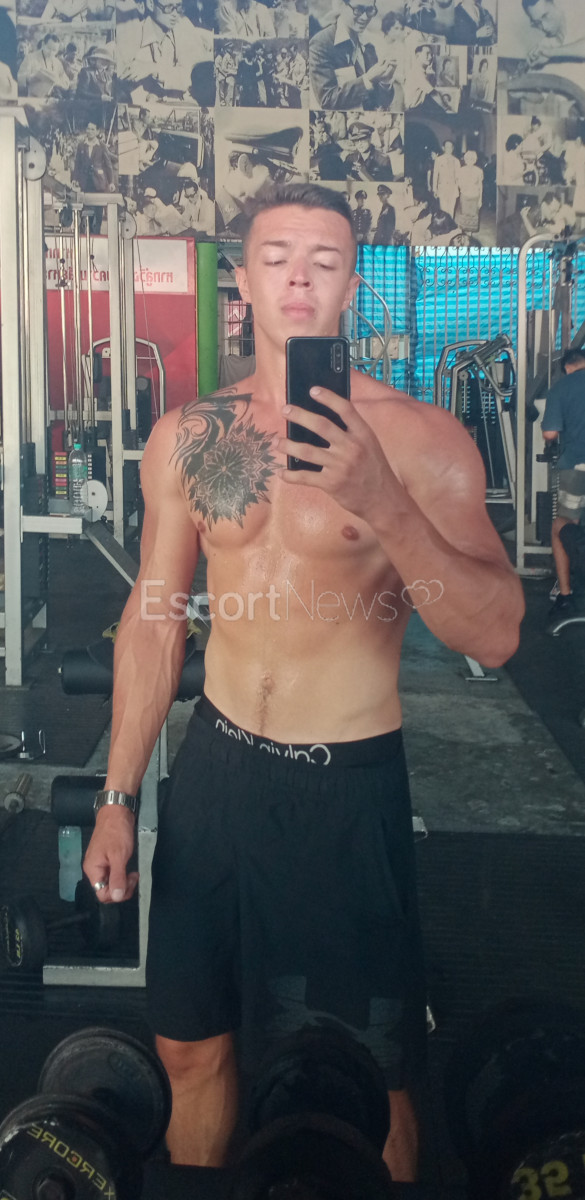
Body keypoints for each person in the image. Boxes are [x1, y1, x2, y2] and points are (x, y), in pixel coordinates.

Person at [83, 180, 523, 1185]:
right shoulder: (189, 437)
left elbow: (496, 633)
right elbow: (154, 616)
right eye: (276, 258)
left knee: (368, 1078)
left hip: (345, 790)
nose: (298, 279)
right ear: (241, 281)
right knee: (189, 1047)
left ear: (350, 287)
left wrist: (384, 503)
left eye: (324, 263)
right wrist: (117, 797)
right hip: (217, 777)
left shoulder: (420, 440)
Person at [541, 348, 585, 618]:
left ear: (567, 367)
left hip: (577, 466)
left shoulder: (561, 387)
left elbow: (549, 433)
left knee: (563, 526)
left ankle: (565, 594)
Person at [116, 0, 213, 104]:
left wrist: (154, 69)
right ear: (151, 4)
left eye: (178, 7)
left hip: (183, 106)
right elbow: (121, 77)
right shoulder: (134, 34)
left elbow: (194, 78)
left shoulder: (184, 27)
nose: (175, 14)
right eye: (169, 7)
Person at [309, 0, 398, 110]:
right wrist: (368, 79)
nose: (365, 17)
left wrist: (385, 82)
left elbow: (380, 103)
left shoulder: (368, 46)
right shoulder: (321, 43)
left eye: (370, 10)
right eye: (358, 9)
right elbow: (327, 100)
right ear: (342, 5)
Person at [18, 32, 71, 97]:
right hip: (33, 98)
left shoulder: (57, 62)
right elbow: (19, 78)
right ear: (43, 44)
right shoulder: (30, 58)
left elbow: (66, 83)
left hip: (52, 98)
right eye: (49, 48)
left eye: (54, 50)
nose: (51, 52)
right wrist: (30, 78)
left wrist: (57, 82)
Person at [456, 148, 483, 232]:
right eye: (468, 158)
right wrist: (462, 187)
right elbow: (458, 182)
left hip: (475, 197)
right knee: (464, 215)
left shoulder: (479, 171)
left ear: (475, 160)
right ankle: (463, 233)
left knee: (473, 215)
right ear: (465, 159)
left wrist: (480, 200)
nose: (470, 160)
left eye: (472, 159)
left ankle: (470, 233)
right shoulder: (461, 170)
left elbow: (480, 185)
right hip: (464, 196)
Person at [432, 139, 460, 218]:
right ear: (443, 148)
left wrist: (457, 187)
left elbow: (458, 177)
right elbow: (435, 175)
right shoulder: (438, 160)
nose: (449, 149)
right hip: (442, 188)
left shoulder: (456, 161)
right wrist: (434, 189)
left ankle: (450, 224)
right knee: (443, 210)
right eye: (447, 147)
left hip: (453, 189)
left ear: (453, 148)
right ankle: (444, 225)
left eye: (450, 147)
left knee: (451, 210)